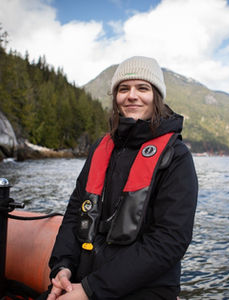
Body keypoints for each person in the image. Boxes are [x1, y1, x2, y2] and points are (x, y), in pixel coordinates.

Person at [45, 56, 198, 300]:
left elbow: (170, 240)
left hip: (145, 288)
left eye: (143, 88)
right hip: (84, 277)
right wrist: (62, 266)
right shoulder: (101, 148)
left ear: (156, 96)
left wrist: (89, 290)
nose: (132, 96)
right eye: (123, 89)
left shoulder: (176, 157)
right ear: (116, 97)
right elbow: (76, 211)